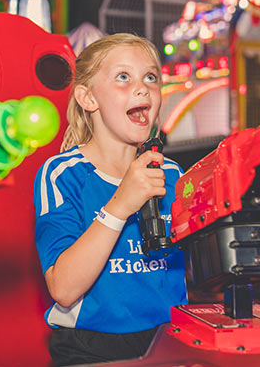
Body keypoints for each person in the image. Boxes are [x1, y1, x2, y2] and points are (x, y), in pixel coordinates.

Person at [33, 33, 187, 366]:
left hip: (171, 340)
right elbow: (63, 288)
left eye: (150, 77)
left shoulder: (173, 174)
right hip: (91, 346)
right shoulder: (63, 174)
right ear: (88, 98)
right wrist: (120, 204)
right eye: (123, 77)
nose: (143, 87)